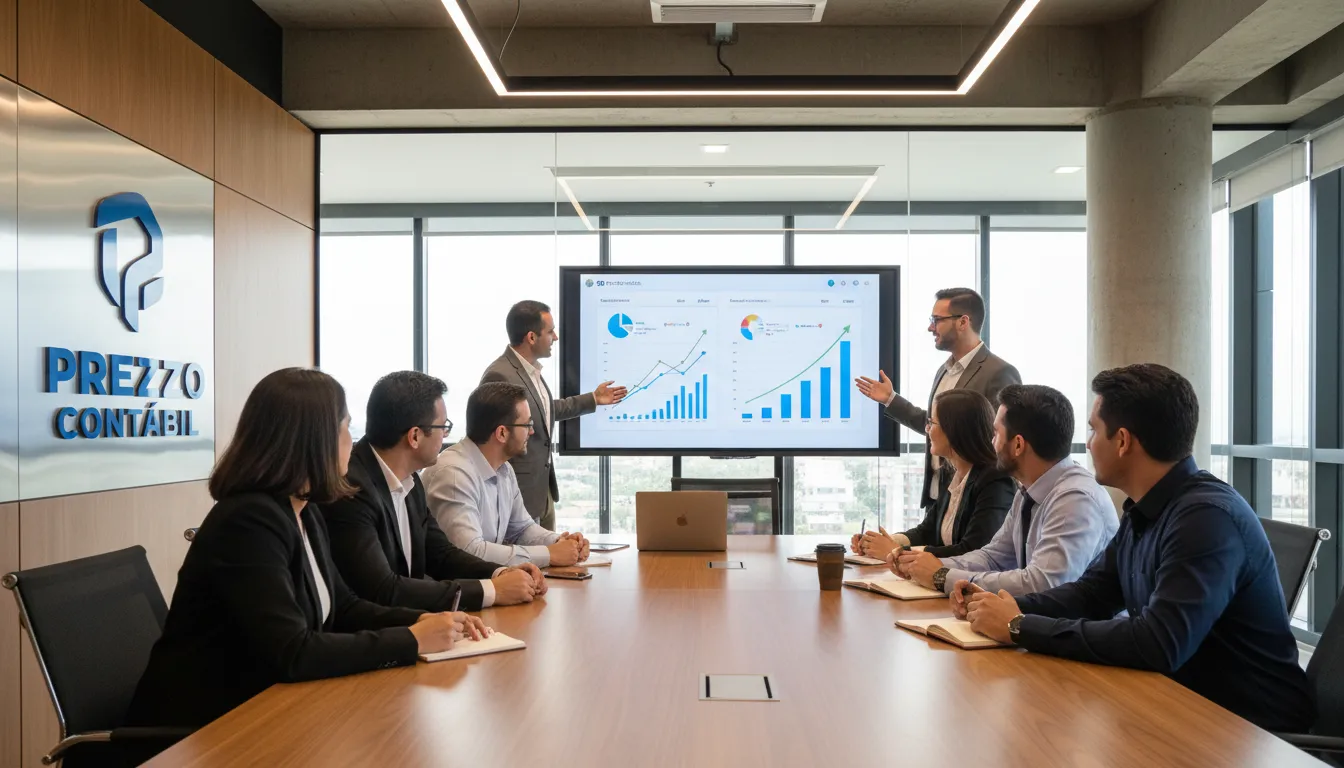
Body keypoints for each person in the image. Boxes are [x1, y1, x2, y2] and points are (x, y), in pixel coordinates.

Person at [125, 368, 487, 736]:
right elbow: (293, 652)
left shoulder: (304, 508)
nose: (352, 440)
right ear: (315, 439)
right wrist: (411, 639)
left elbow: (344, 607)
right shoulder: (248, 521)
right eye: (345, 427)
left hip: (271, 709)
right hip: (204, 731)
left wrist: (424, 620)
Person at [961, 364, 1315, 732]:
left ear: (1124, 441)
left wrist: (1019, 626)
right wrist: (1001, 605)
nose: (1088, 443)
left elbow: (1158, 642)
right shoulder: (1146, 509)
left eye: (1094, 430)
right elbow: (1093, 594)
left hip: (1251, 731)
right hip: (1180, 704)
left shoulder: (1204, 519)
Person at [322, 371, 548, 613]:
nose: (445, 437)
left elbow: (440, 554)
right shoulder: (353, 489)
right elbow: (382, 589)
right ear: (415, 436)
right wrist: (493, 590)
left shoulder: (409, 479)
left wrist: (500, 572)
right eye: (443, 427)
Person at [891, 384, 1117, 596]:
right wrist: (925, 565)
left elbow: (1042, 584)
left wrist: (942, 576)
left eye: (996, 434)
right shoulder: (1028, 491)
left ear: (1018, 445)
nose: (991, 443)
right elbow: (993, 557)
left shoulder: (1074, 500)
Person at [855, 288, 1020, 510]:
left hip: (974, 502)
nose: (930, 327)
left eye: (937, 320)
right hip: (938, 500)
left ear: (963, 322)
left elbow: (997, 441)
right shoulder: (944, 371)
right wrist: (890, 399)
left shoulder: (999, 372)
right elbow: (935, 427)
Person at [480, 300, 627, 530]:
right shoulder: (501, 374)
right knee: (527, 562)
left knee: (550, 558)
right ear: (531, 337)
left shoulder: (531, 370)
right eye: (550, 332)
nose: (555, 337)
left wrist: (594, 399)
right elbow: (492, 438)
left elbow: (546, 410)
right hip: (518, 493)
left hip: (542, 491)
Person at [424, 381, 591, 568]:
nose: (532, 431)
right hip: (455, 592)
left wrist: (560, 542)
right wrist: (549, 554)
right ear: (502, 433)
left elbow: (521, 529)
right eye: (527, 424)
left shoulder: (504, 469)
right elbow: (469, 551)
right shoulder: (454, 474)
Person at [851, 389, 1014, 560]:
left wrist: (896, 552)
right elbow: (926, 532)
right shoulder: (950, 474)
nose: (927, 429)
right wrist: (882, 542)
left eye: (932, 423)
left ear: (954, 430)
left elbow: (973, 551)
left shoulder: (995, 481)